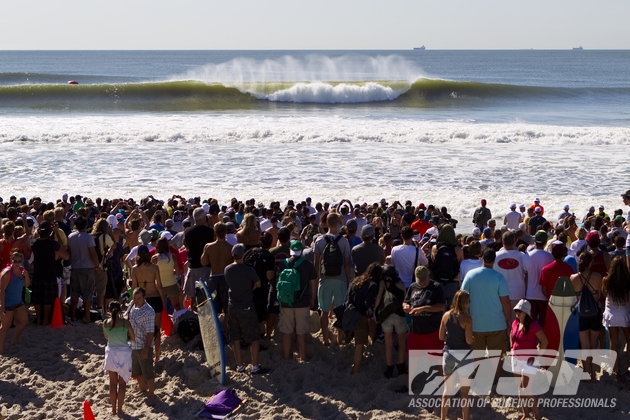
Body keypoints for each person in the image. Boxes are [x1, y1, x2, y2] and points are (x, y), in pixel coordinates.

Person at [224, 244, 269, 374]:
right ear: (243, 255)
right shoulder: (248, 270)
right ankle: (255, 366)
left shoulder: (227, 269)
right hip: (246, 306)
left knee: (236, 338)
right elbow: (259, 283)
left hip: (233, 305)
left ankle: (240, 366)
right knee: (254, 338)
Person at [461, 249, 511, 361]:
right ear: (494, 260)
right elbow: (505, 301)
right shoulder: (499, 277)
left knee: (477, 358)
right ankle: (496, 378)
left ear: (481, 258)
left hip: (475, 324)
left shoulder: (470, 275)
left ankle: (480, 378)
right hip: (497, 324)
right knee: (496, 358)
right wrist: (508, 319)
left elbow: (462, 298)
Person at [313, 213, 352, 346]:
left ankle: (325, 339)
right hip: (340, 278)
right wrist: (348, 280)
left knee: (324, 311)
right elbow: (347, 263)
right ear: (339, 223)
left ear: (326, 223)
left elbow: (316, 262)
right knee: (339, 311)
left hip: (324, 279)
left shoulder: (319, 240)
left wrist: (317, 278)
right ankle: (339, 339)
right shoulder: (344, 241)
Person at [278, 241, 317, 362]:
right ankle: (303, 356)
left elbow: (277, 283)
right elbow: (313, 284)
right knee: (301, 332)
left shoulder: (283, 264)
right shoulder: (308, 264)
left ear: (290, 250)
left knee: (286, 331)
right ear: (302, 250)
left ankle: (286, 356)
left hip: (286, 301)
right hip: (302, 302)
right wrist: (312, 298)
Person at [439, 290, 474, 420]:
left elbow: (441, 337)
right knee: (464, 393)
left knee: (447, 390)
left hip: (448, 353)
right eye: (469, 301)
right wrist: (473, 339)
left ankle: (443, 418)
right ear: (465, 302)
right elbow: (469, 340)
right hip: (463, 355)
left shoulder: (446, 316)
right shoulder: (467, 318)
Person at [510, 299, 548, 420]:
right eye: (516, 310)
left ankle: (537, 415)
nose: (517, 313)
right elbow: (511, 335)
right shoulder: (515, 323)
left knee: (526, 389)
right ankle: (526, 413)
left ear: (526, 312)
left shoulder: (533, 325)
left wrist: (537, 357)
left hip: (528, 361)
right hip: (515, 358)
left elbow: (545, 342)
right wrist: (512, 349)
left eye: (520, 311)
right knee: (520, 389)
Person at [570, 252, 603, 382]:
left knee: (584, 346)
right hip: (595, 313)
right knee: (593, 345)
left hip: (581, 314)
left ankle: (586, 373)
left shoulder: (573, 278)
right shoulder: (597, 276)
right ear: (590, 263)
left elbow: (573, 298)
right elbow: (599, 294)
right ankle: (594, 375)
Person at [31, 221, 69, 325]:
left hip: (38, 273)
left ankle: (39, 319)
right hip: (50, 273)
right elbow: (66, 256)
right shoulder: (52, 244)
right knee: (48, 298)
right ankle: (46, 320)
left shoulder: (34, 243)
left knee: (37, 297)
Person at [404, 266, 446, 358]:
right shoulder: (413, 286)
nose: (422, 283)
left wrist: (423, 308)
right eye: (420, 280)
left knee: (436, 359)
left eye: (424, 280)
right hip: (415, 330)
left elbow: (441, 306)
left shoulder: (437, 287)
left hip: (432, 330)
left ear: (428, 275)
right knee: (413, 358)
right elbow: (406, 301)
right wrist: (406, 306)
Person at [131, 245, 164, 362]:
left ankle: (145, 354)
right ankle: (157, 356)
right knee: (156, 329)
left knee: (142, 329)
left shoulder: (134, 269)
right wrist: (163, 300)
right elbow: (159, 286)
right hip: (155, 298)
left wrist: (134, 302)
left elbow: (135, 288)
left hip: (142, 300)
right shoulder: (155, 268)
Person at [346, 262, 380, 373]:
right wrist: (372, 316)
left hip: (350, 313)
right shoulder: (373, 285)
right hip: (360, 317)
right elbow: (367, 303)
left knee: (354, 342)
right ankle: (356, 371)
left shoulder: (355, 281)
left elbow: (347, 298)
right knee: (359, 346)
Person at [103, 300, 135, 416]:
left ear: (108, 311)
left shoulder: (106, 323)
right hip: (124, 353)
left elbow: (107, 337)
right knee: (122, 384)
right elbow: (133, 337)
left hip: (111, 353)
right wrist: (124, 340)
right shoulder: (125, 323)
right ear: (120, 310)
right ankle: (120, 410)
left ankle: (113, 409)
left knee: (112, 383)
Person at [375, 265, 407, 378]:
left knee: (388, 344)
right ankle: (401, 367)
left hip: (386, 315)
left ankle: (389, 368)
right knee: (402, 343)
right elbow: (405, 298)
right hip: (400, 316)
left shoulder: (383, 283)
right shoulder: (401, 284)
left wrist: (376, 311)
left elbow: (379, 297)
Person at [601, 257, 630, 378]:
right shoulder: (628, 281)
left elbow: (604, 294)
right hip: (624, 314)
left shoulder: (606, 280)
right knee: (629, 341)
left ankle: (616, 368)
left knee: (614, 342)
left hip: (611, 314)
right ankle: (628, 365)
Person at [68, 216, 100, 324]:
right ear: (86, 226)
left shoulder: (70, 236)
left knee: (74, 293)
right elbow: (93, 253)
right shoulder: (88, 237)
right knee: (88, 294)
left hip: (75, 267)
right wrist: (97, 266)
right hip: (87, 268)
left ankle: (73, 315)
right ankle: (86, 316)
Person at [128, 287, 156, 406]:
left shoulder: (149, 311)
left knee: (147, 370)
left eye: (139, 298)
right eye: (135, 298)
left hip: (144, 345)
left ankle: (151, 393)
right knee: (137, 370)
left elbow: (150, 332)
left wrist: (146, 349)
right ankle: (142, 389)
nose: (136, 300)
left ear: (144, 298)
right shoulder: (132, 305)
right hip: (133, 344)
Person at [0, 250, 30, 355]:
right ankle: (1, 349)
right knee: (5, 327)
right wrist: (2, 306)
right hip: (7, 303)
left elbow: (26, 285)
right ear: (11, 261)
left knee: (24, 320)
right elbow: (1, 290)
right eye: (15, 261)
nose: (17, 263)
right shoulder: (7, 273)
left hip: (17, 301)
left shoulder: (22, 270)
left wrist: (26, 276)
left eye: (19, 261)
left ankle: (14, 339)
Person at [183, 207, 214, 305]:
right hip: (205, 267)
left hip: (192, 266)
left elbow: (186, 245)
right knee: (205, 298)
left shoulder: (187, 231)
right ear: (204, 218)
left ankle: (193, 315)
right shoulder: (210, 232)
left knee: (192, 298)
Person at [493, 231, 529, 315]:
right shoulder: (522, 256)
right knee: (516, 324)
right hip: (518, 294)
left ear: (502, 242)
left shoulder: (495, 256)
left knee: (502, 324)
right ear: (515, 241)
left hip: (499, 295)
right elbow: (527, 275)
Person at [430, 224, 463, 309]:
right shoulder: (458, 250)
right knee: (453, 309)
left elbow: (434, 263)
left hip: (438, 281)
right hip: (453, 281)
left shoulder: (435, 248)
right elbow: (460, 265)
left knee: (439, 307)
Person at [526, 231, 555, 327]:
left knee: (530, 325)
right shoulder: (550, 257)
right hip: (544, 295)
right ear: (546, 242)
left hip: (530, 295)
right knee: (543, 325)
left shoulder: (527, 256)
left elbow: (525, 275)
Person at [151, 236, 181, 312]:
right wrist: (171, 271)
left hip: (160, 286)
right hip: (172, 284)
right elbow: (178, 273)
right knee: (177, 306)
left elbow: (152, 273)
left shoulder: (154, 258)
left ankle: (165, 323)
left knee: (162, 309)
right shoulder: (173, 257)